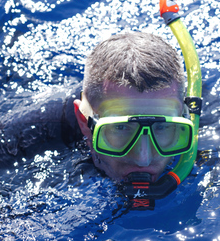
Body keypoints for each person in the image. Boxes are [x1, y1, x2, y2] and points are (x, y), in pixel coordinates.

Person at [73, 31, 190, 183]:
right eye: (121, 128)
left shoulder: (212, 134)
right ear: (84, 121)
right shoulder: (40, 136)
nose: (143, 159)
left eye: (162, 127)